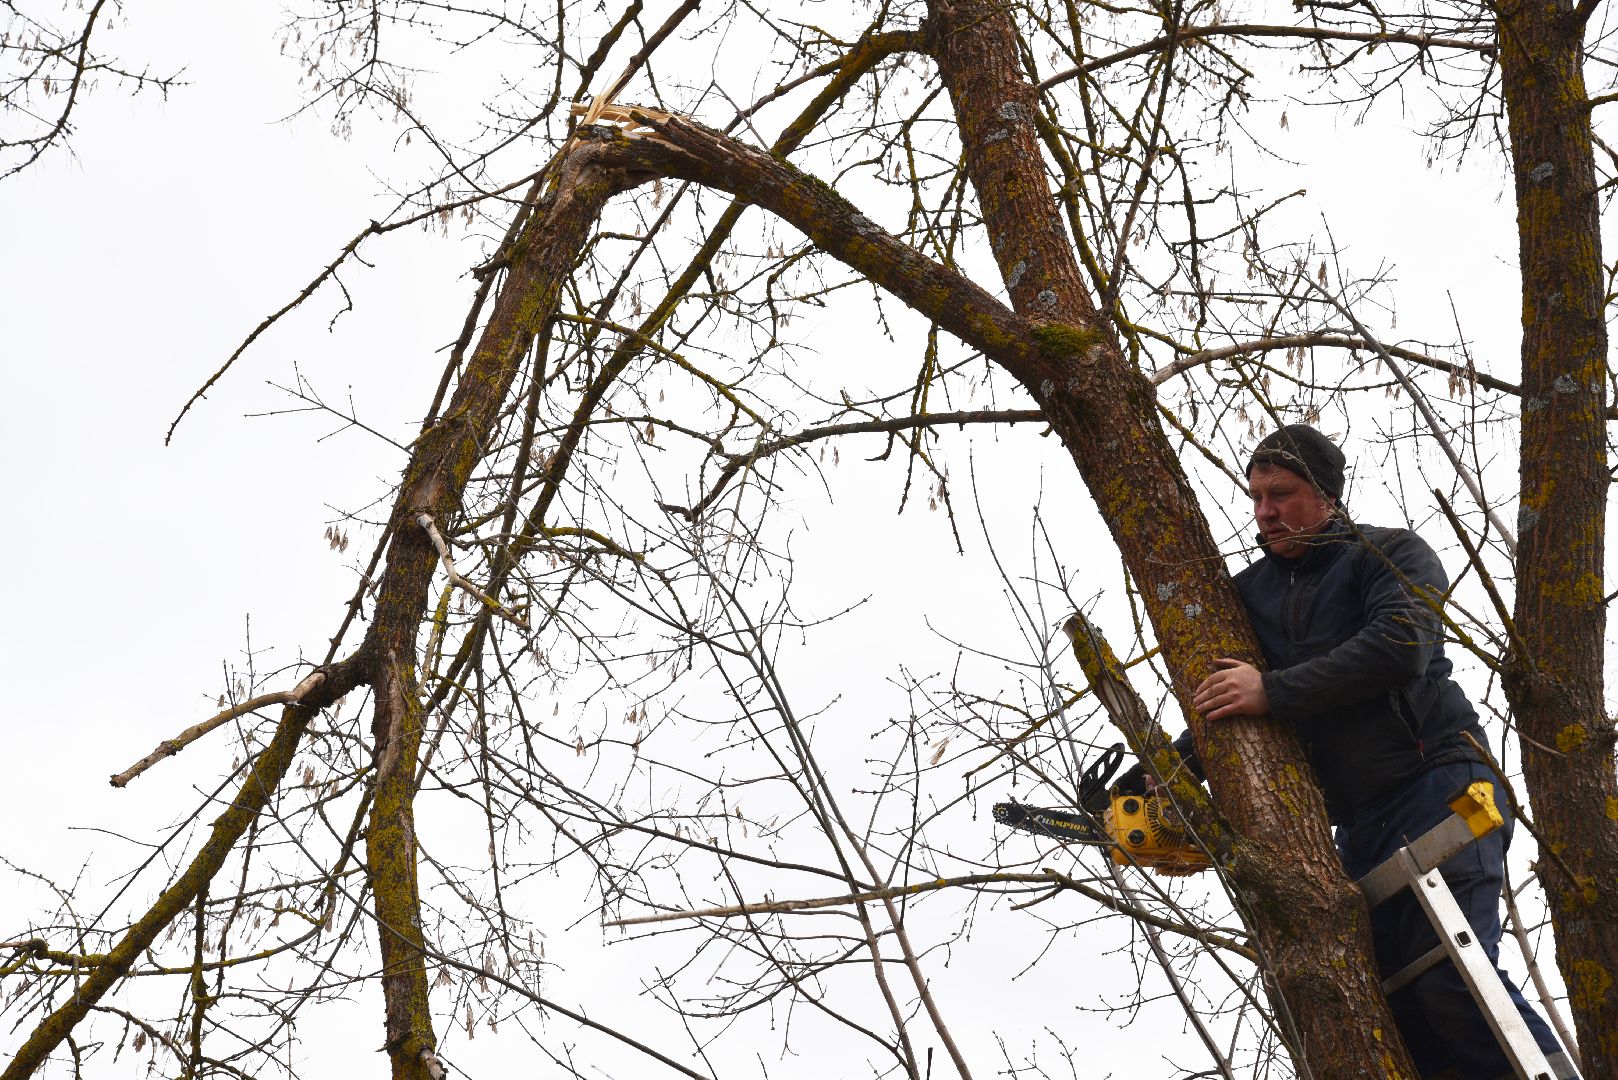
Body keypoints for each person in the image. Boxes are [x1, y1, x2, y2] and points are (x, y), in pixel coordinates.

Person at [1176, 424, 1575, 1080]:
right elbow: (1224, 705)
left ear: (1326, 496)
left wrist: (1272, 690)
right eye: (1255, 497)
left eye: (1281, 493)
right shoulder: (1249, 597)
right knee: (1400, 1015)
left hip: (1441, 785)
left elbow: (1400, 646)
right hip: (1360, 826)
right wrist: (1158, 780)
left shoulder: (1389, 555)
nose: (1264, 511)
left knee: (1453, 980)